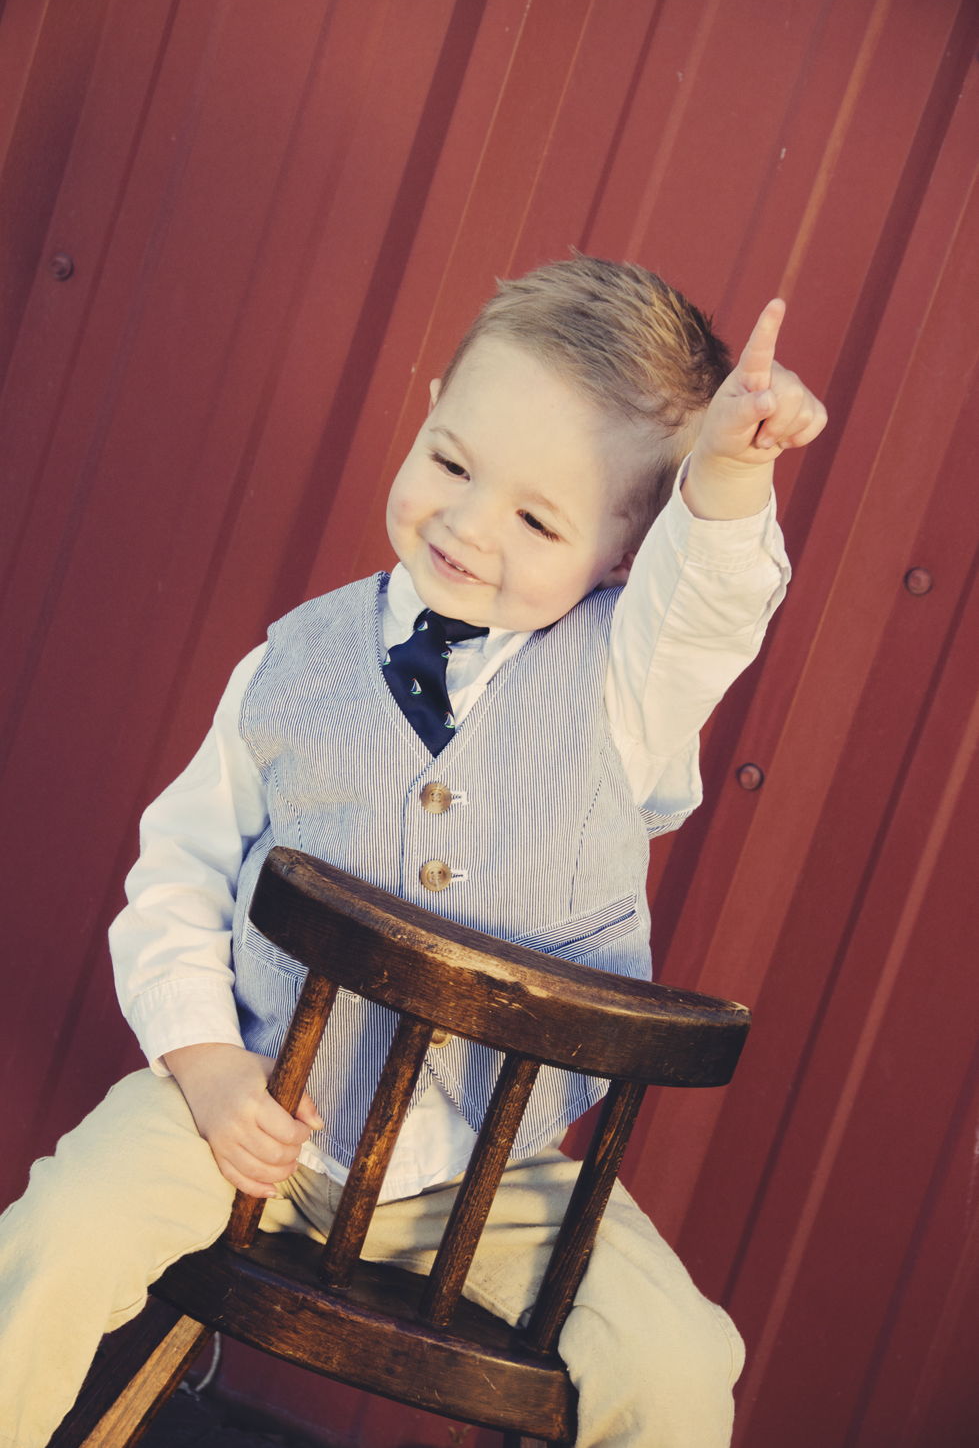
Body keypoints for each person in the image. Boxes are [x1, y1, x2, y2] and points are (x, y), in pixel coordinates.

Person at [0, 256, 826, 1448]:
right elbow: (178, 873)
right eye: (450, 460)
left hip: (486, 1181)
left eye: (536, 518)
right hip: (249, 1120)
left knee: (677, 1362)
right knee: (61, 1230)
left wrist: (731, 474)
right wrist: (205, 1064)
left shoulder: (626, 688)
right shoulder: (291, 663)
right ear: (429, 407)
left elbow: (707, 602)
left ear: (624, 550)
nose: (467, 524)